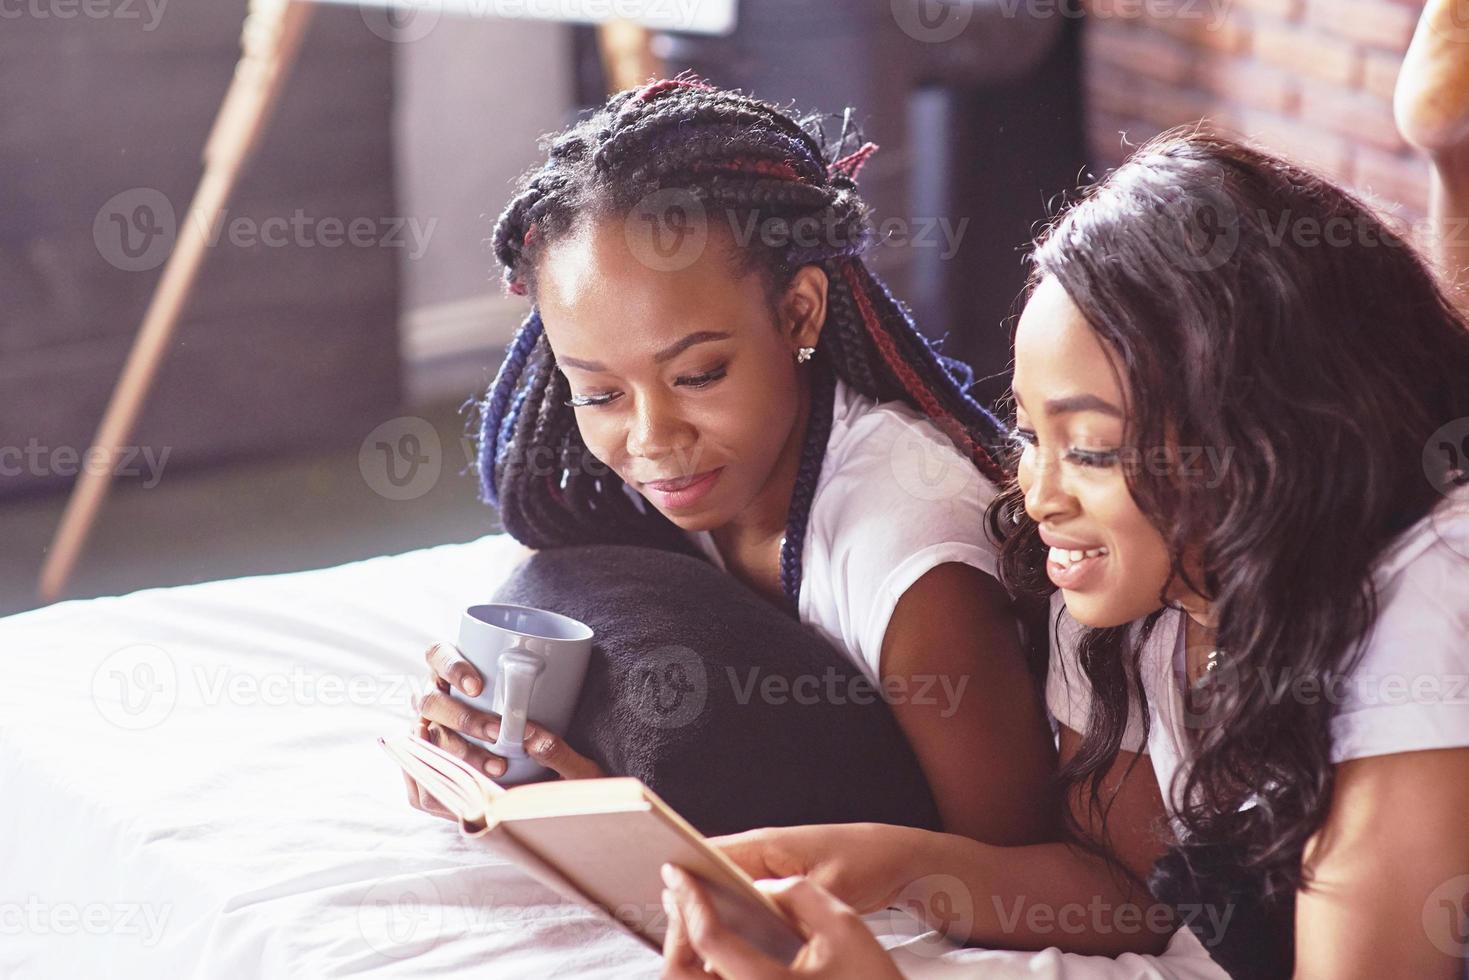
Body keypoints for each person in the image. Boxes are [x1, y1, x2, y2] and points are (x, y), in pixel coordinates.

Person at [660, 122, 1469, 979]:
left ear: (1263, 434)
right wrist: (890, 866)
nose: (1038, 496)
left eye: (1087, 447)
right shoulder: (1147, 594)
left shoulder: (1426, 589)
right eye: (1026, 433)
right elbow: (1127, 890)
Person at [404, 77, 1058, 846]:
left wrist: (647, 836)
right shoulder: (618, 493)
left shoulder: (911, 561)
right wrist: (479, 737)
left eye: (699, 375)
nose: (650, 438)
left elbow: (1012, 859)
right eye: (598, 393)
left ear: (797, 314)